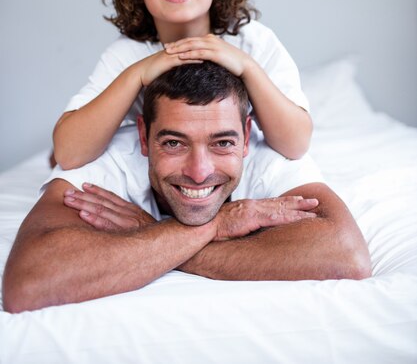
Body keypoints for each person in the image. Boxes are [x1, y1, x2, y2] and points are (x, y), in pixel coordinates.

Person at [3, 62, 371, 313]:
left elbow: (347, 255)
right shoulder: (108, 158)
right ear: (144, 137)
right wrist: (216, 225)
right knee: (58, 159)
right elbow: (28, 284)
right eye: (174, 143)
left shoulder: (268, 155)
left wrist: (154, 233)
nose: (199, 172)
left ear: (246, 136)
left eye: (222, 143)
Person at [52, 0, 312, 170]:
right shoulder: (128, 54)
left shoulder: (253, 41)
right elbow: (69, 154)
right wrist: (138, 74)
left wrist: (247, 68)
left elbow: (296, 144)